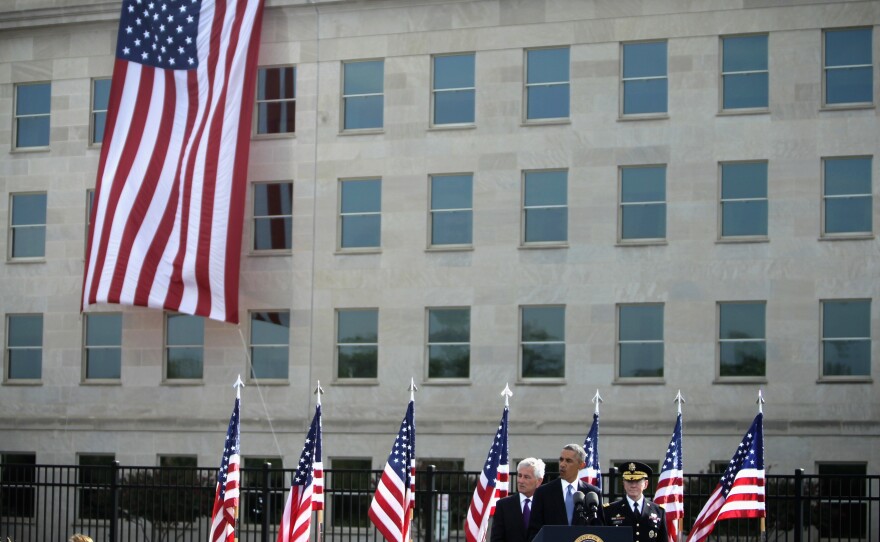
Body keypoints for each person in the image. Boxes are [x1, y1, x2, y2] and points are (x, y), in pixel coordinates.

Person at [526, 444, 605, 541]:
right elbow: (534, 531)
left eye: (568, 461)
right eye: (561, 459)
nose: (562, 464)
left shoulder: (592, 493)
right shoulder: (543, 493)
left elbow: (600, 530)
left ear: (581, 465)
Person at [605, 462, 667, 542]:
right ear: (624, 483)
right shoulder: (609, 510)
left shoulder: (658, 511)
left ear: (646, 484)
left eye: (637, 481)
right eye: (629, 481)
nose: (633, 485)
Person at [491, 458, 546, 542]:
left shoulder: (546, 505)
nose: (520, 481)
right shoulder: (503, 505)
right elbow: (496, 539)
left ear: (539, 481)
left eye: (526, 477)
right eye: (519, 476)